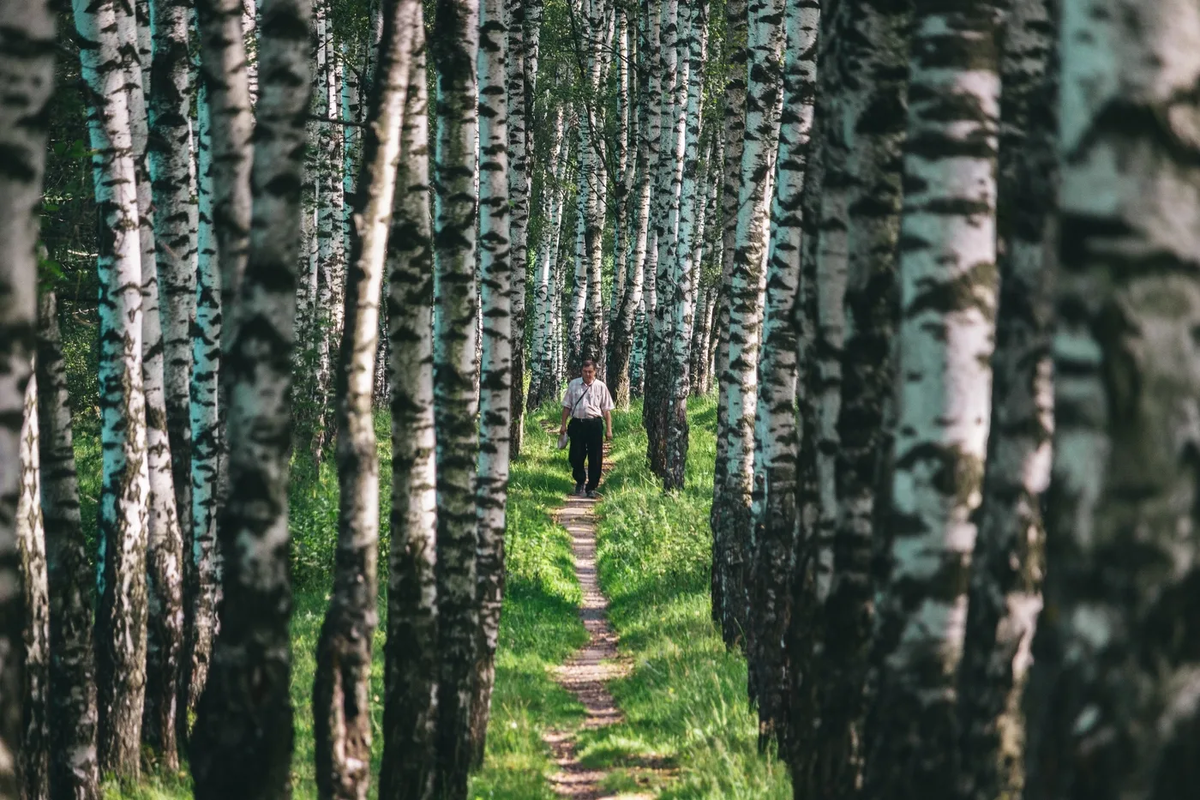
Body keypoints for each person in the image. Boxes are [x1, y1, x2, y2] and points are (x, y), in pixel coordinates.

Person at [559, 358, 614, 498]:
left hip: (594, 424)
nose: (587, 374)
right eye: (585, 371)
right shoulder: (573, 384)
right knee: (575, 456)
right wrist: (563, 425)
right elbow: (567, 406)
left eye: (590, 372)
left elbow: (607, 411)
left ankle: (591, 488)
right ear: (581, 371)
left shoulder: (601, 386)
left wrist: (609, 429)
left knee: (595, 457)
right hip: (577, 424)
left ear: (595, 372)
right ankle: (580, 480)